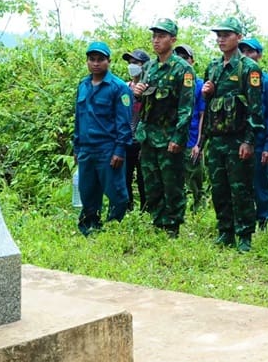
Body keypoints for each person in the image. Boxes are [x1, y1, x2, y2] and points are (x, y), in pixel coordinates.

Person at [192, 17, 265, 252]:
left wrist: (249, 141)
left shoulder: (248, 68)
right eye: (218, 35)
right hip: (217, 140)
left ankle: (244, 235)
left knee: (241, 189)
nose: (221, 39)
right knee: (219, 187)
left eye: (226, 34)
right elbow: (208, 107)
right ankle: (225, 231)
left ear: (238, 37)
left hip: (238, 140)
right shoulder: (213, 67)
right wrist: (207, 93)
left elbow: (256, 109)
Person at [131, 19, 196, 237]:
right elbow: (144, 99)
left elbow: (186, 108)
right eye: (154, 36)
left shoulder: (183, 69)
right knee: (152, 182)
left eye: (161, 36)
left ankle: (173, 226)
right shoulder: (148, 67)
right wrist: (138, 91)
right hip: (149, 135)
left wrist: (178, 138)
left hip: (169, 136)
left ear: (173, 39)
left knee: (172, 183)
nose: (156, 40)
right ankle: (158, 221)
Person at [72, 41, 134, 235]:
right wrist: (76, 147)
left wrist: (119, 150)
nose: (96, 63)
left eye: (100, 59)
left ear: (109, 61)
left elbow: (124, 122)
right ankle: (90, 227)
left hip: (108, 148)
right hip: (86, 149)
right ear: (87, 61)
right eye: (92, 59)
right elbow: (78, 118)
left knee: (116, 191)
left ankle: (115, 225)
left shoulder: (118, 87)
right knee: (88, 191)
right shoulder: (83, 85)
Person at [238, 37, 268, 230]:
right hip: (239, 141)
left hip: (260, 142)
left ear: (259, 55)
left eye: (250, 51)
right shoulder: (236, 79)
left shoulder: (267, 81)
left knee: (259, 183)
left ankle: (263, 219)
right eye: (243, 51)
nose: (246, 55)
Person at [176, 44, 208, 213]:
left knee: (195, 180)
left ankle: (199, 212)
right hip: (175, 140)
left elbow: (203, 115)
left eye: (185, 57)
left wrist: (199, 144)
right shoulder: (173, 83)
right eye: (178, 57)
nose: (182, 60)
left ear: (192, 61)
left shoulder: (199, 85)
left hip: (192, 139)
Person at [120, 48, 151, 210]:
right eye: (130, 63)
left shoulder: (150, 89)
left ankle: (146, 209)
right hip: (126, 140)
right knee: (124, 176)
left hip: (143, 141)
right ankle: (127, 208)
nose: (132, 66)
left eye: (136, 63)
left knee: (143, 178)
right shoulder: (124, 87)